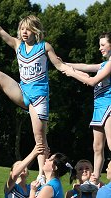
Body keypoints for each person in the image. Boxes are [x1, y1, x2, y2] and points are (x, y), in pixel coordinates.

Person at [0, 6, 70, 184]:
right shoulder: (18, 45)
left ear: (35, 31)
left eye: (28, 29)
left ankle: (42, 174)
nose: (24, 32)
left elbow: (60, 65)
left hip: (39, 98)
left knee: (40, 137)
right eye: (22, 29)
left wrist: (78, 73)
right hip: (22, 91)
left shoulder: (44, 47)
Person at [62, 32, 111, 184]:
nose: (100, 48)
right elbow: (86, 67)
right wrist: (65, 64)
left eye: (103, 45)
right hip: (98, 109)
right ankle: (95, 179)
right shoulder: (103, 64)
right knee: (97, 147)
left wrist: (71, 73)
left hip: (109, 106)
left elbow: (92, 81)